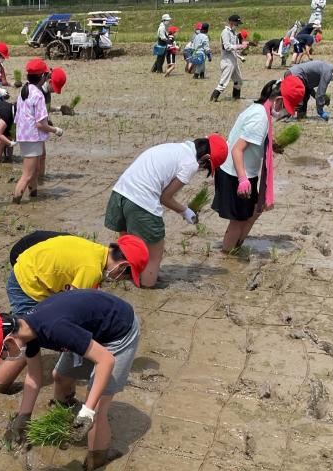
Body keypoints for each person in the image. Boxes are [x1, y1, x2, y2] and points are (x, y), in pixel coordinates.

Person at [0, 290, 141, 471]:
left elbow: (106, 360)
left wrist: (88, 411)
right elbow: (34, 377)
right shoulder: (26, 330)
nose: (4, 359)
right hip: (88, 330)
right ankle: (67, 419)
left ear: (9, 341)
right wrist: (23, 417)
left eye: (1, 354)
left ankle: (96, 460)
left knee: (98, 410)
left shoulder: (55, 329)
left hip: (119, 331)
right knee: (60, 377)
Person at [0, 232, 149, 393]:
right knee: (24, 337)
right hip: (28, 286)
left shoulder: (95, 251)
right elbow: (71, 306)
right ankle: (0, 387)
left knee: (34, 333)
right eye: (126, 277)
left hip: (30, 273)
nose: (121, 279)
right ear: (122, 266)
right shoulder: (91, 269)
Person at [105, 135, 229, 287]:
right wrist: (185, 211)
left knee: (127, 246)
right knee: (154, 255)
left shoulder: (174, 147)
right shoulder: (191, 163)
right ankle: (147, 288)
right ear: (206, 157)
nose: (202, 169)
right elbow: (165, 197)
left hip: (119, 194)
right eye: (206, 166)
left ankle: (118, 276)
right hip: (141, 202)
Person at [211, 77, 305, 253]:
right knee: (238, 220)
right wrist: (243, 180)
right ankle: (228, 255)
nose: (285, 113)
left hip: (243, 171)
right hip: (236, 173)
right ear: (278, 100)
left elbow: (253, 142)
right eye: (285, 108)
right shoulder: (260, 118)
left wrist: (271, 146)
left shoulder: (260, 110)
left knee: (255, 210)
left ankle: (236, 246)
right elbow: (237, 150)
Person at [13, 58, 62, 204]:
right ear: (42, 77)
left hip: (23, 135)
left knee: (34, 171)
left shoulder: (25, 89)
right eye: (46, 75)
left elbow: (19, 115)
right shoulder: (38, 95)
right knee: (27, 175)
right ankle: (15, 202)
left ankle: (34, 195)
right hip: (32, 137)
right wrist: (55, 130)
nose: (47, 77)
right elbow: (40, 124)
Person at [211, 15, 248, 102]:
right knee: (223, 83)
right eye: (237, 23)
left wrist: (242, 47)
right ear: (231, 22)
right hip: (227, 61)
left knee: (238, 81)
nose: (238, 25)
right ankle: (213, 100)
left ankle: (236, 99)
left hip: (233, 60)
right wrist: (240, 46)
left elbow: (235, 47)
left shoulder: (233, 33)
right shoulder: (225, 32)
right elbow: (227, 47)